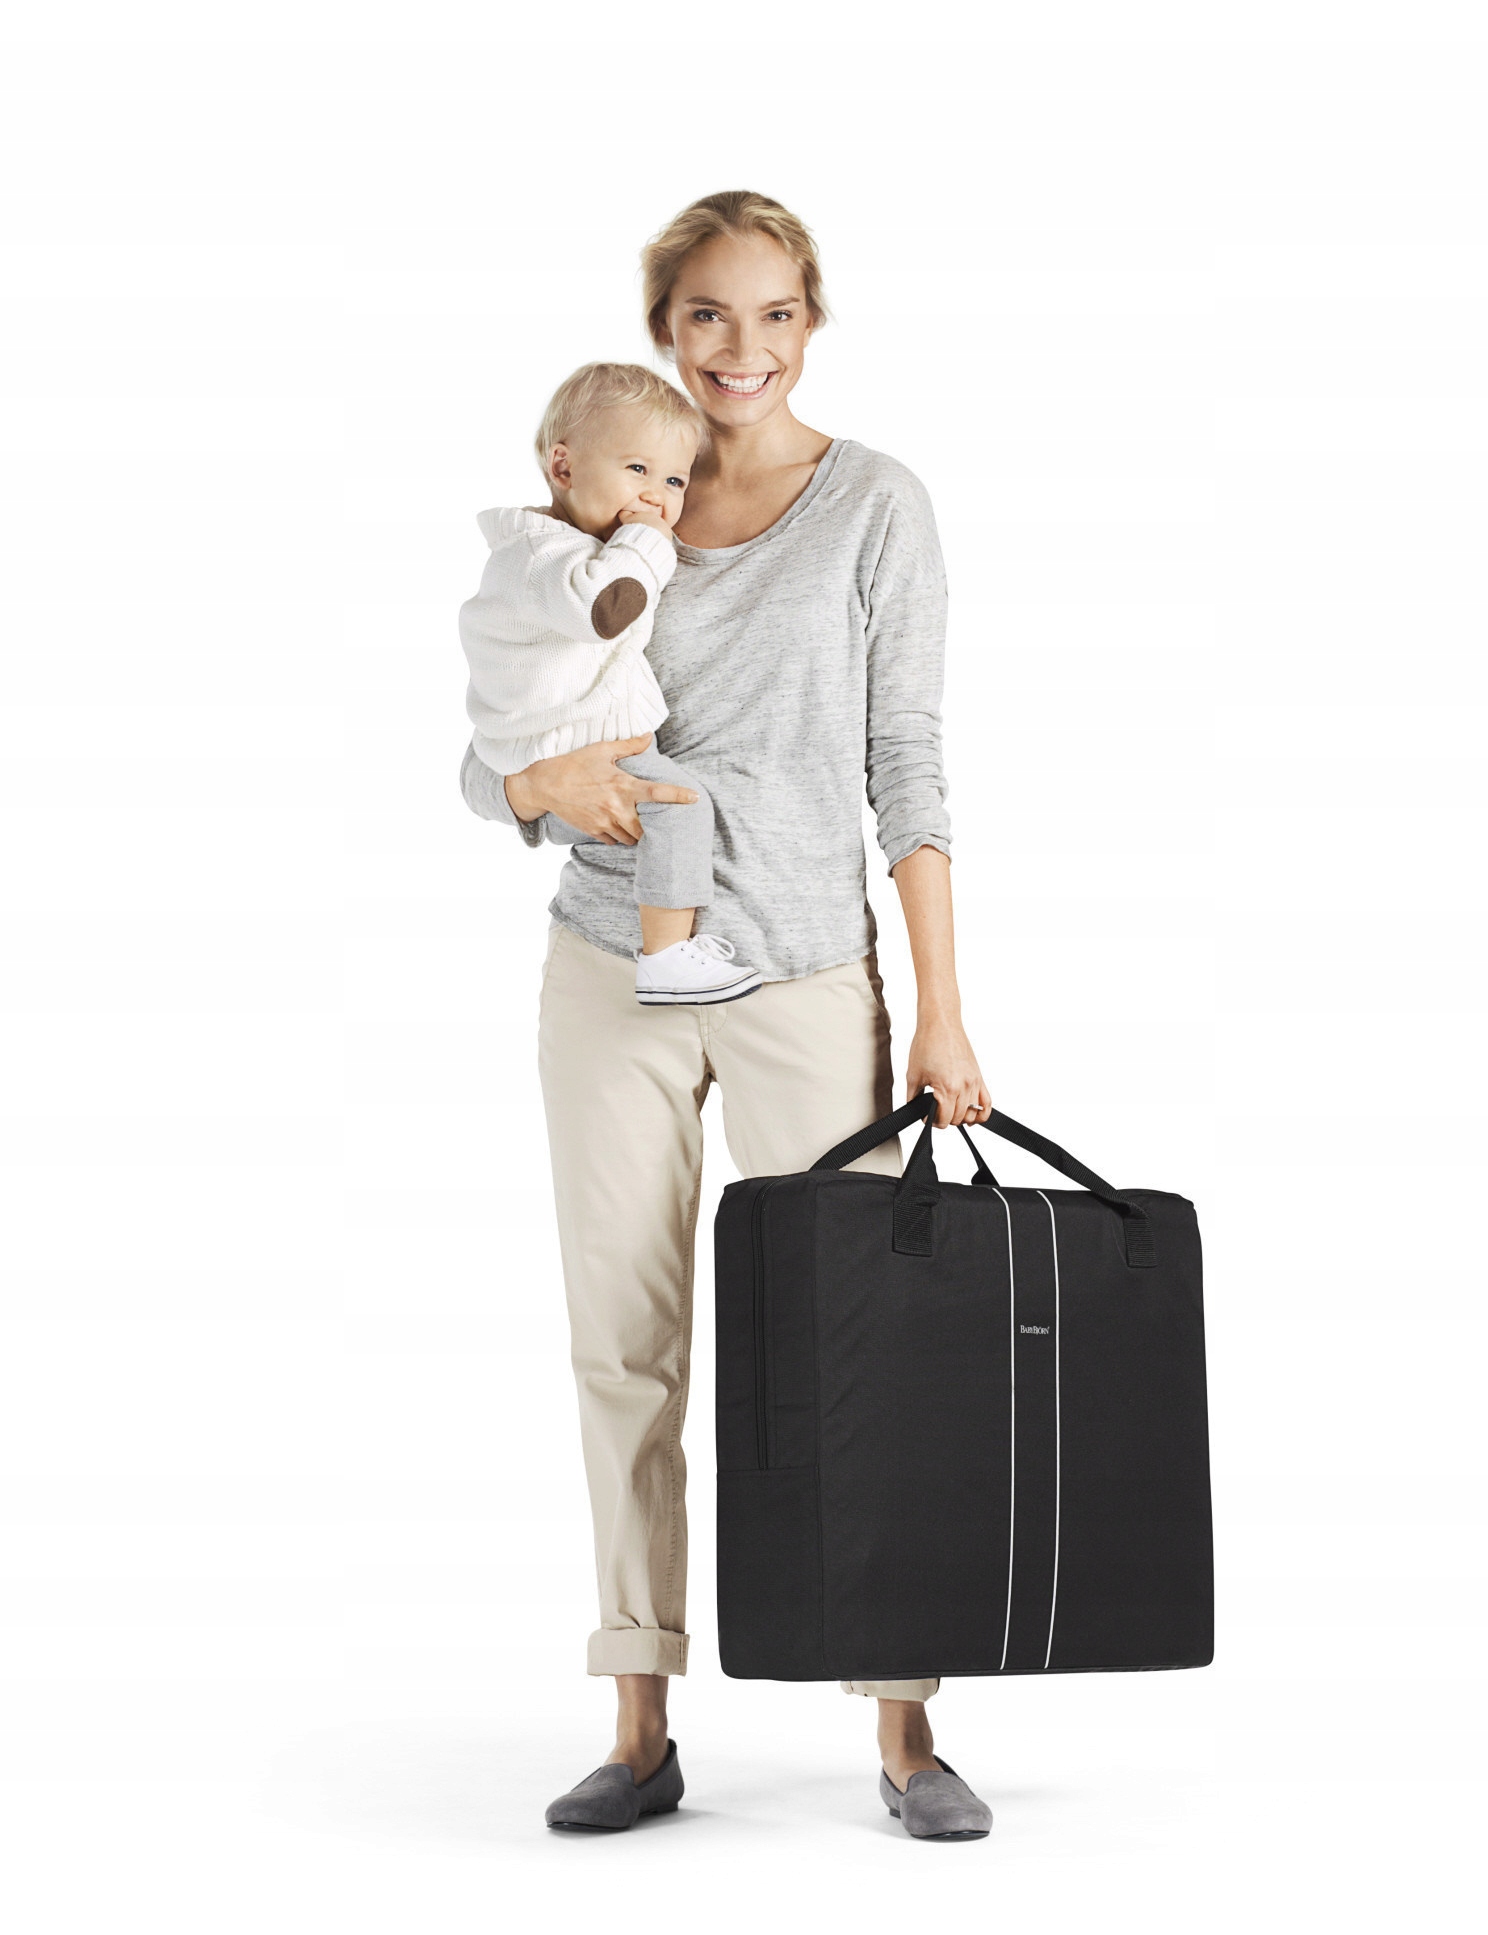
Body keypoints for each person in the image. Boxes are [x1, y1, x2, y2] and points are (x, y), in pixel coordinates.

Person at [460, 191, 994, 1841]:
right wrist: (527, 795)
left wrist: (941, 1012)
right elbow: (495, 738)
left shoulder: (875, 505)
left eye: (772, 314)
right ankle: (638, 1720)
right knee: (623, 1342)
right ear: (662, 326)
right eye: (706, 313)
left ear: (811, 323)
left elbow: (907, 766)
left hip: (803, 975)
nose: (739, 348)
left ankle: (901, 1723)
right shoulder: (601, 504)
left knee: (856, 1334)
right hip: (606, 973)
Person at [460, 361, 763, 1004]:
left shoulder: (569, 553)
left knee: (672, 812)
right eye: (637, 468)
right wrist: (649, 542)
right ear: (563, 467)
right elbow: (607, 608)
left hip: (567, 772)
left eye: (674, 480)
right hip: (573, 765)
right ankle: (667, 958)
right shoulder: (542, 559)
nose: (657, 496)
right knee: (681, 808)